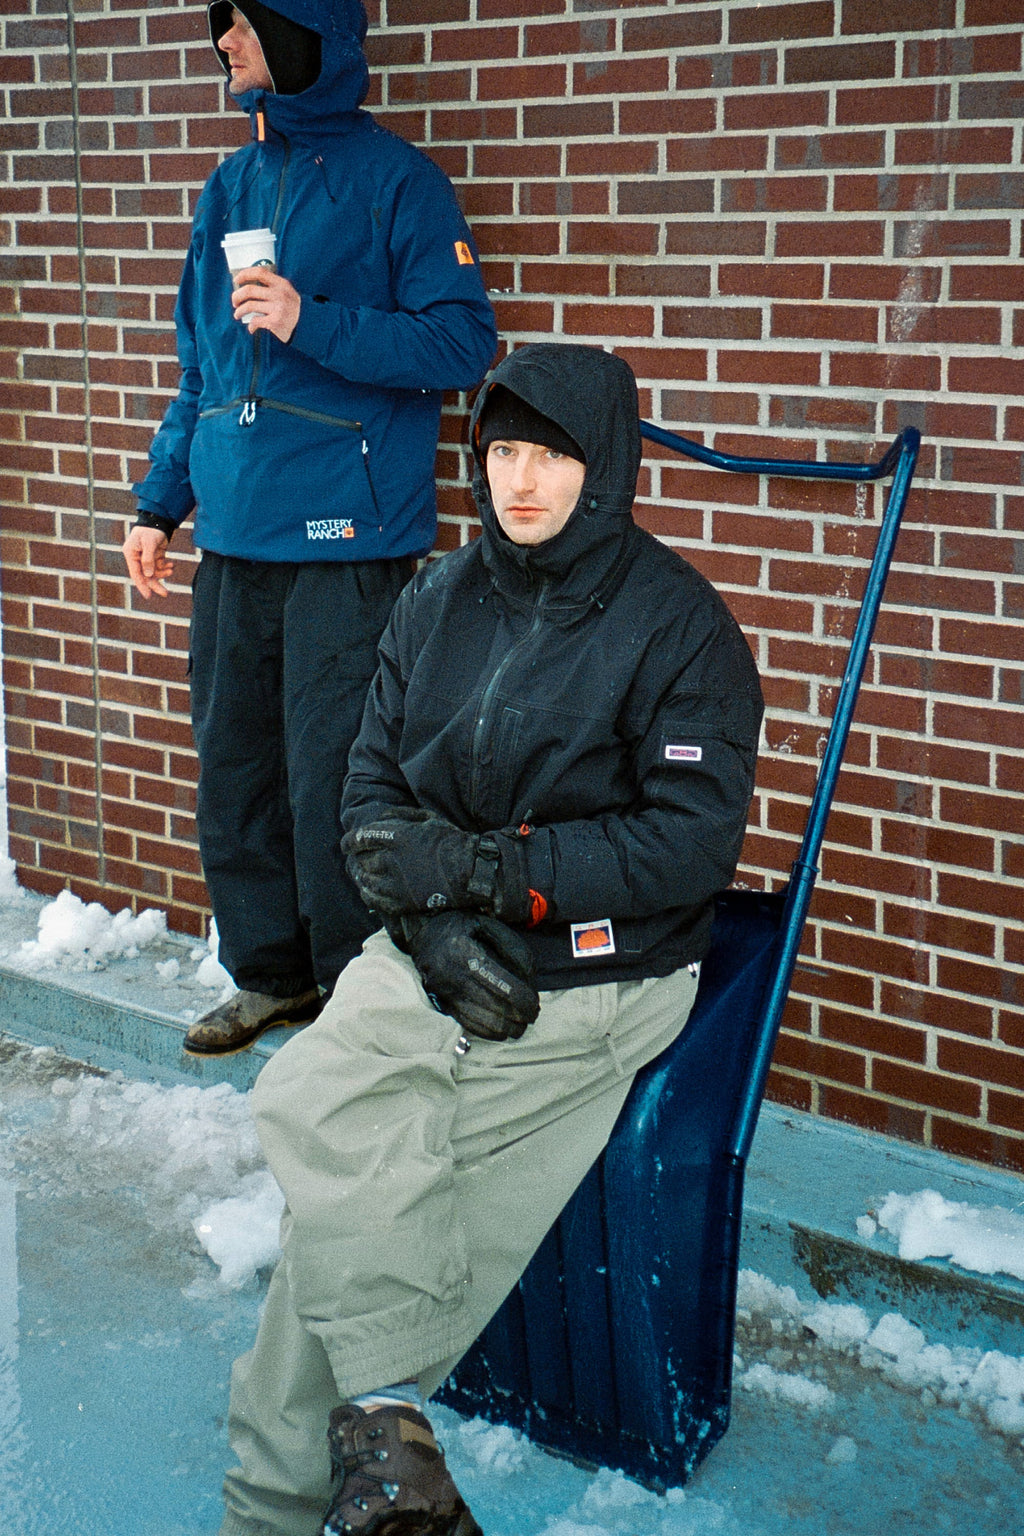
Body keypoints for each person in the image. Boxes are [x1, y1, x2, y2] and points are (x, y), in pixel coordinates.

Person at [214, 342, 764, 1536]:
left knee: (361, 1217)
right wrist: (426, 917)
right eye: (503, 451)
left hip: (597, 977)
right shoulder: (436, 597)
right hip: (426, 950)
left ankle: (269, 1501)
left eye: (553, 455)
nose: (523, 481)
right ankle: (387, 1436)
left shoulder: (681, 630)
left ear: (604, 465)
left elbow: (683, 847)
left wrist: (484, 878)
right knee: (314, 1100)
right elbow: (368, 792)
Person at [121, 0, 497, 1056]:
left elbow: (463, 344)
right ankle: (271, 977)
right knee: (234, 770)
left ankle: (354, 1000)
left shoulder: (399, 182)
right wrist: (160, 502)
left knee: (338, 777)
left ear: (299, 37)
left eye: (241, 28)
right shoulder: (230, 185)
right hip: (233, 536)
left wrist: (308, 319)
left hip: (347, 543)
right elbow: (200, 369)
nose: (224, 48)